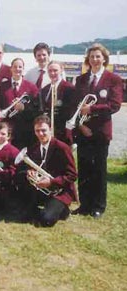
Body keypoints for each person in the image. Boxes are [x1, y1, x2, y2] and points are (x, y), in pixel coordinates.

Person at [71, 43, 123, 218]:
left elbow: (114, 105)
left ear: (104, 59)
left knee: (99, 170)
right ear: (88, 59)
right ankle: (84, 205)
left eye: (98, 56)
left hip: (100, 132)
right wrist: (81, 125)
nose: (95, 59)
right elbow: (76, 107)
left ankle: (98, 206)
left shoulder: (113, 79)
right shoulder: (81, 80)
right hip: (83, 130)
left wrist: (92, 110)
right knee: (84, 169)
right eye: (92, 56)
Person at [19, 115, 77, 227]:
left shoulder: (62, 147)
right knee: (22, 215)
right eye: (37, 131)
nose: (40, 134)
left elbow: (72, 175)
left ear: (50, 129)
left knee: (46, 220)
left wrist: (51, 182)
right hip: (42, 190)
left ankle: (62, 210)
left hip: (59, 192)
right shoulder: (35, 147)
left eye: (44, 130)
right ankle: (50, 210)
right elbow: (31, 167)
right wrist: (30, 172)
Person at [0, 58, 39, 149]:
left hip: (25, 127)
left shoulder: (31, 87)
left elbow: (36, 108)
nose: (17, 69)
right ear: (11, 69)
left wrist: (24, 108)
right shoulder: (2, 86)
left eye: (20, 67)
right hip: (7, 126)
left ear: (23, 69)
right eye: (15, 67)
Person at [39, 61, 75, 145]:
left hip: (64, 131)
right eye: (50, 71)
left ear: (61, 70)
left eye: (55, 70)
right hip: (49, 130)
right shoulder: (45, 89)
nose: (52, 73)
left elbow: (72, 111)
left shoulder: (69, 88)